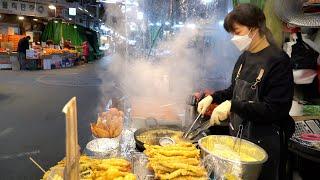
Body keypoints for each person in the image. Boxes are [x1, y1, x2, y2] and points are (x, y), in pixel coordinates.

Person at [197, 4, 294, 180]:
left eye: (237, 32)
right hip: (239, 141)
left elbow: (275, 110)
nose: (234, 38)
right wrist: (213, 97)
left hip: (265, 146)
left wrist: (233, 105)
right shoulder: (245, 57)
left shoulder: (278, 61)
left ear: (255, 29)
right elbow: (234, 90)